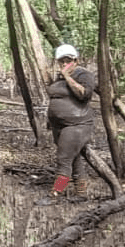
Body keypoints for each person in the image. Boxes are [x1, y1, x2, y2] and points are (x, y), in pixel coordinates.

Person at [43, 43, 96, 204]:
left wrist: (67, 77)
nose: (65, 64)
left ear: (76, 61)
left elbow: (84, 95)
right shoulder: (58, 77)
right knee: (74, 159)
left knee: (63, 159)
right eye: (62, 61)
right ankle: (82, 193)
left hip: (77, 125)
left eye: (68, 61)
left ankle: (56, 193)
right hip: (60, 126)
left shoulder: (84, 75)